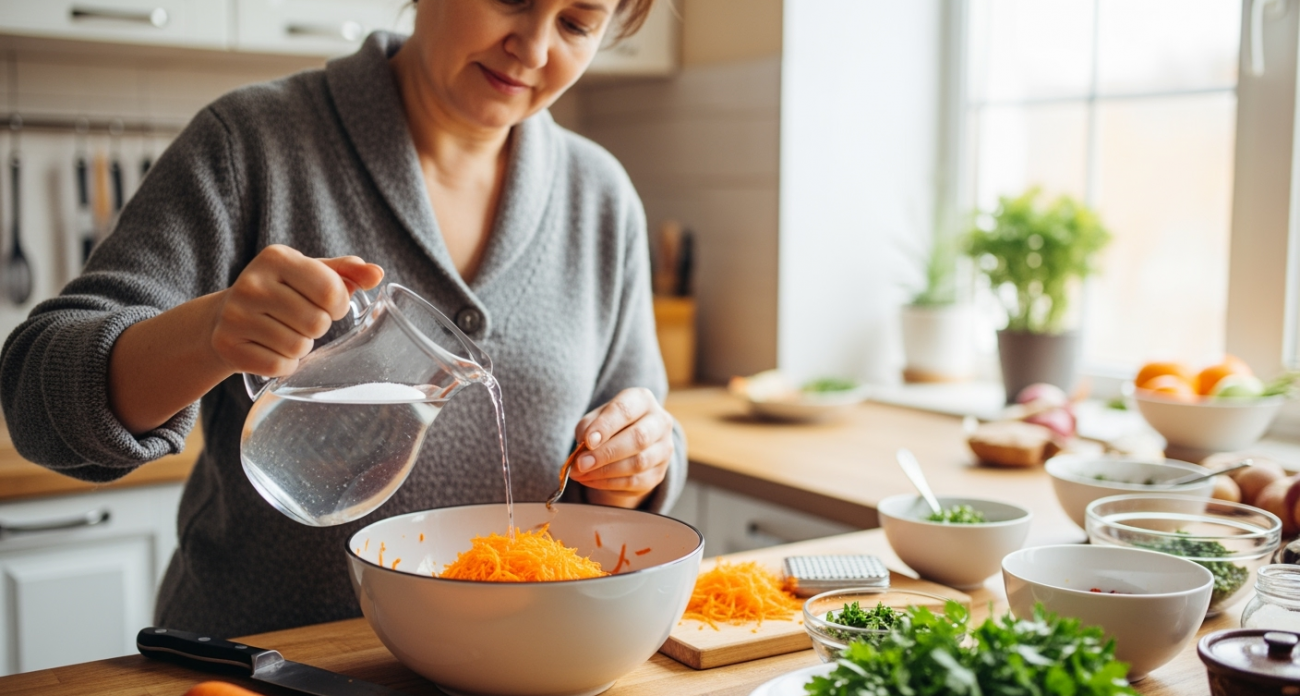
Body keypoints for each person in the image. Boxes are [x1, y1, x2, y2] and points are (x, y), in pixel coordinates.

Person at [0, 0, 685, 638]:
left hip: (513, 659)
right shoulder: (251, 146)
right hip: (256, 666)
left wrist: (639, 463)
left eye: (576, 24)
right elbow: (36, 398)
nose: (532, 48)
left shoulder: (601, 196)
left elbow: (633, 430)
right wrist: (210, 333)